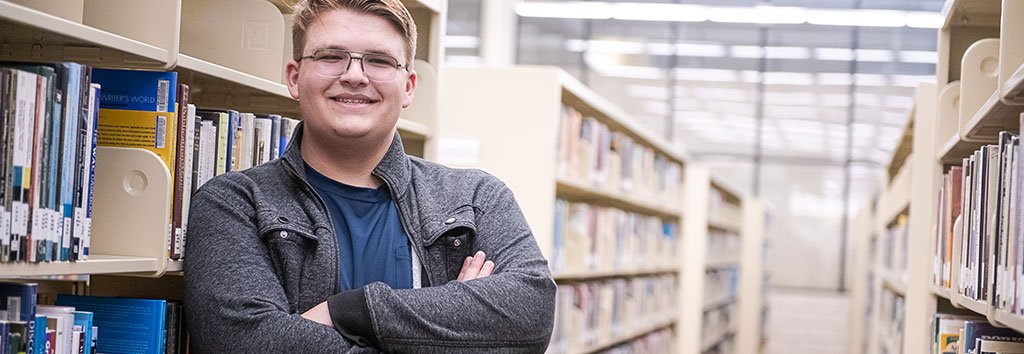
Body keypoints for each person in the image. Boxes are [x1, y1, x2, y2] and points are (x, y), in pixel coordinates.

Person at [182, 0, 556, 352]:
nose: (355, 76)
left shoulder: (475, 198)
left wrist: (345, 311)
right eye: (331, 57)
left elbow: (532, 312)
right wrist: (453, 335)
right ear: (295, 78)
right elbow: (244, 343)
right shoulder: (233, 203)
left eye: (378, 61)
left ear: (408, 86)